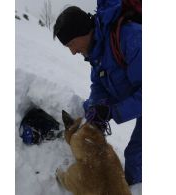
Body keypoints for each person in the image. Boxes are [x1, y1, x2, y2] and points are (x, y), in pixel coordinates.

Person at [53, 0, 142, 186]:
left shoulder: (131, 38)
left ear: (82, 32)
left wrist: (112, 111)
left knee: (137, 158)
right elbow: (99, 83)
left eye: (71, 44)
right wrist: (97, 106)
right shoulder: (97, 51)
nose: (72, 52)